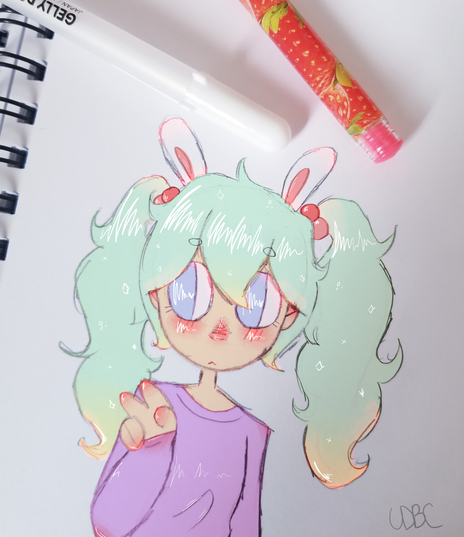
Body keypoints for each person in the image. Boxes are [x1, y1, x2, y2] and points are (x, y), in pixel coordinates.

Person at [67, 119, 402, 536]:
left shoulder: (251, 432)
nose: (220, 329)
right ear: (155, 291)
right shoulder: (152, 405)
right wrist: (148, 450)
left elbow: (245, 526)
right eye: (190, 292)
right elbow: (107, 521)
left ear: (289, 316)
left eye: (258, 305)